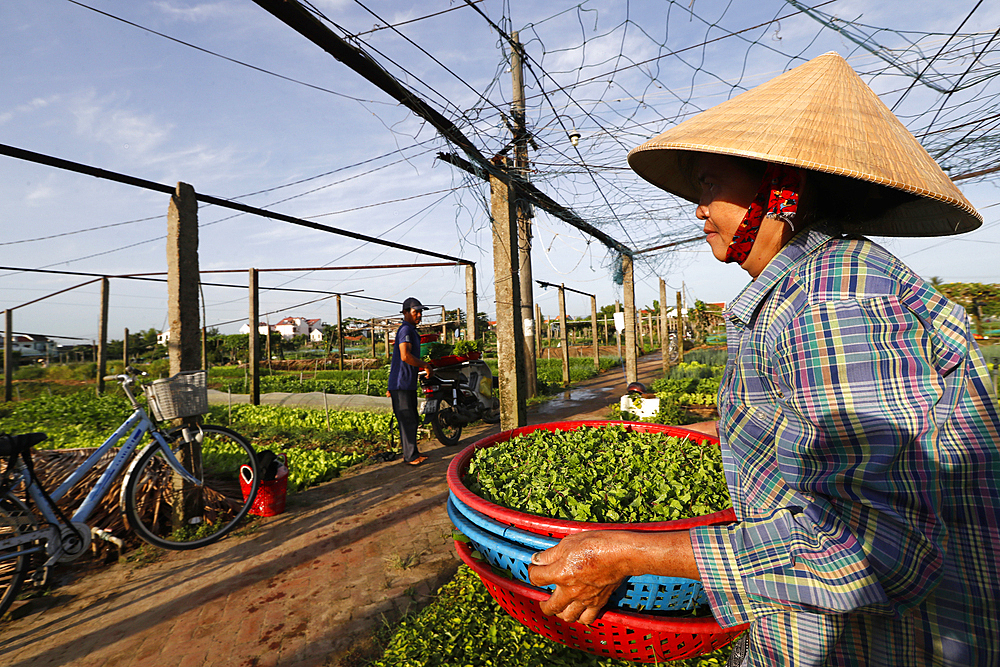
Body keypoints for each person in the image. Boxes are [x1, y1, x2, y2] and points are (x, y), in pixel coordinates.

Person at [528, 52, 1000, 666]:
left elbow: (881, 547)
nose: (698, 209)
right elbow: (817, 435)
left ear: (781, 190)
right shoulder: (819, 286)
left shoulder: (830, 303)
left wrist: (631, 553)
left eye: (707, 185)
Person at [388, 297, 435, 466]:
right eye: (416, 312)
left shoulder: (411, 330)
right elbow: (405, 356)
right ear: (406, 312)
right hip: (402, 384)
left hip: (404, 383)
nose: (419, 315)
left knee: (411, 418)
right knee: (407, 419)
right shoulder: (405, 330)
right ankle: (410, 457)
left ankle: (413, 453)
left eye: (421, 312)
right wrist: (425, 365)